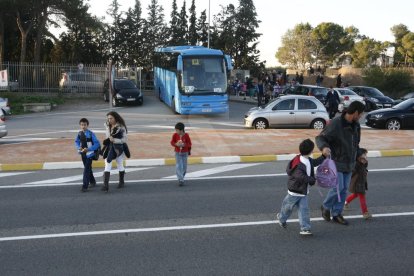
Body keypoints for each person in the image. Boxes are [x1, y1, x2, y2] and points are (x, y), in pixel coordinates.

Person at [316, 101, 365, 225]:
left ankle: (337, 213)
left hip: (349, 163)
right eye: (360, 114)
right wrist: (324, 147)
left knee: (343, 191)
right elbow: (320, 137)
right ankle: (326, 206)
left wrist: (359, 155)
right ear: (355, 112)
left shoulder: (356, 125)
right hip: (336, 161)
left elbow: (355, 144)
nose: (360, 117)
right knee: (338, 188)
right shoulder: (336, 123)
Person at [276, 139, 327, 235]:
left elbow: (315, 162)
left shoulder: (307, 159)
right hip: (294, 191)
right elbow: (301, 177)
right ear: (311, 150)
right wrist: (314, 180)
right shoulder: (298, 163)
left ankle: (305, 228)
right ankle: (281, 218)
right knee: (287, 208)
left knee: (304, 210)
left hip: (303, 191)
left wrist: (324, 156)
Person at [101, 111, 128, 192]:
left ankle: (121, 182)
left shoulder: (121, 127)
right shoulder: (107, 126)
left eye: (111, 118)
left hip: (118, 148)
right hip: (109, 148)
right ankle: (106, 185)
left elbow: (124, 140)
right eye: (108, 118)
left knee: (119, 164)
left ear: (115, 118)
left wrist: (115, 140)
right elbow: (107, 137)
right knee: (107, 163)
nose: (109, 120)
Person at [344, 148, 372, 219]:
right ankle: (365, 213)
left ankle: (346, 202)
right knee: (362, 197)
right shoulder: (355, 164)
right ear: (359, 156)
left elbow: (365, 167)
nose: (366, 156)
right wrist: (360, 164)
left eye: (366, 154)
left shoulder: (363, 162)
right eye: (364, 154)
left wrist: (364, 162)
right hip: (357, 183)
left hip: (361, 182)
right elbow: (353, 172)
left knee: (356, 194)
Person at [75, 118, 100, 192]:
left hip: (90, 154)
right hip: (83, 154)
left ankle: (84, 186)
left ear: (87, 125)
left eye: (85, 125)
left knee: (86, 169)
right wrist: (78, 147)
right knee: (88, 168)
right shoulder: (79, 134)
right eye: (82, 125)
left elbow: (97, 144)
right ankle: (92, 181)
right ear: (80, 125)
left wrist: (89, 149)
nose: (83, 126)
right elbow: (76, 142)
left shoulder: (91, 133)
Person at [170, 122, 192, 186]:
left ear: (181, 130)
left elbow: (189, 144)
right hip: (177, 153)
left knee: (184, 167)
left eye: (177, 130)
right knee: (179, 166)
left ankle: (181, 176)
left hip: (185, 153)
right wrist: (176, 144)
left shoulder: (186, 135)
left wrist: (184, 145)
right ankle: (181, 179)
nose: (176, 131)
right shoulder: (175, 135)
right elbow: (172, 142)